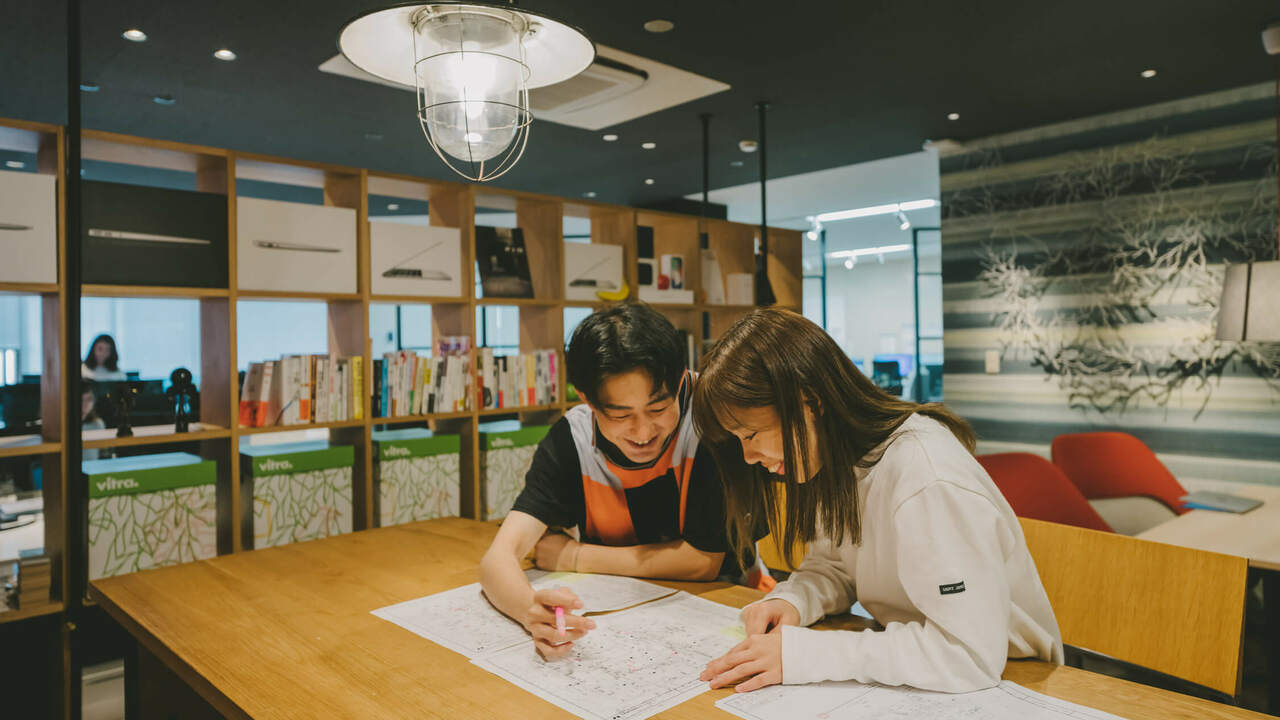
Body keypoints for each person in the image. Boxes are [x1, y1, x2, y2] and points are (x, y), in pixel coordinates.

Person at [693, 308, 1062, 694]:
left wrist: (806, 654)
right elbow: (835, 565)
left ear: (811, 403)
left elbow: (968, 654)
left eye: (751, 434)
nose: (749, 457)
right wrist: (794, 600)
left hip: (1016, 679)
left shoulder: (925, 476)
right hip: (921, 665)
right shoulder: (838, 462)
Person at [479, 303, 769, 661]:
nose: (643, 432)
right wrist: (530, 612)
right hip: (621, 625)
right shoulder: (572, 439)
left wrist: (573, 556)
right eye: (620, 415)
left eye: (659, 409)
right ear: (587, 400)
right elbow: (497, 558)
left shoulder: (716, 424)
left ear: (680, 382)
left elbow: (702, 562)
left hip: (731, 609)